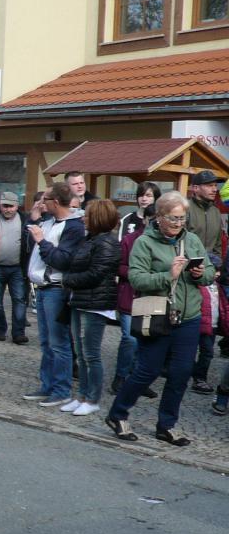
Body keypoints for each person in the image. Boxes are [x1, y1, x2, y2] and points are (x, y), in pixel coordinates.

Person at [107, 191, 213, 447]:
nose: (178, 223)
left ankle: (166, 425)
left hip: (188, 316)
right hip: (157, 314)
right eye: (173, 218)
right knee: (148, 371)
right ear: (160, 217)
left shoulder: (192, 240)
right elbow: (137, 279)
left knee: (181, 373)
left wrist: (200, 273)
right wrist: (169, 275)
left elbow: (210, 273)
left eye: (182, 218)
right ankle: (117, 414)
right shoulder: (145, 243)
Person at [21, 182, 86, 408]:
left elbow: (62, 260)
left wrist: (41, 240)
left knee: (59, 343)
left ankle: (61, 390)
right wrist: (34, 219)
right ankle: (47, 385)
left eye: (45, 199)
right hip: (42, 289)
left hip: (57, 290)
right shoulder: (49, 221)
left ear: (56, 202)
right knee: (46, 342)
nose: (41, 202)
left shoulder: (74, 227)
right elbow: (30, 245)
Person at [60, 200, 122, 417]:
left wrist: (67, 280)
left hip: (95, 303)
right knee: (81, 352)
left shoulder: (107, 243)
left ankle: (92, 398)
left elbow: (96, 274)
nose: (83, 218)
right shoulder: (91, 239)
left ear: (97, 218)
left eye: (87, 215)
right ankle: (82, 395)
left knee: (91, 354)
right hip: (81, 300)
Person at [114, 182, 161, 396]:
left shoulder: (165, 242)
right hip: (129, 294)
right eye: (141, 195)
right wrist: (138, 273)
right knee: (130, 338)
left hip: (152, 296)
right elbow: (119, 264)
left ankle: (138, 379)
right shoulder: (130, 238)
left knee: (146, 339)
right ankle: (121, 376)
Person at [185, 170, 225, 394]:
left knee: (209, 328)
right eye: (209, 185)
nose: (214, 189)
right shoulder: (186, 209)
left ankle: (200, 376)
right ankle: (179, 370)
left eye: (214, 185)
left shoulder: (216, 212)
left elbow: (218, 245)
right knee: (188, 329)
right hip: (188, 276)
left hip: (210, 278)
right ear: (195, 187)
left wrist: (216, 267)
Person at [0, 192, 31, 344]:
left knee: (19, 300)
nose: (7, 209)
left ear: (17, 206)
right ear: (0, 205)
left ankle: (18, 333)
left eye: (11, 206)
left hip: (17, 268)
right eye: (4, 206)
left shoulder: (25, 220)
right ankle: (0, 329)